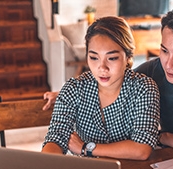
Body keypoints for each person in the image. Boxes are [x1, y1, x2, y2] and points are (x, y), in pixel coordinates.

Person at [43, 3, 173, 161]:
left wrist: (160, 137)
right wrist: (64, 94)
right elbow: (114, 80)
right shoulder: (153, 71)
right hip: (168, 158)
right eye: (164, 50)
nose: (168, 64)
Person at [41, 16, 160, 161]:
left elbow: (142, 148)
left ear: (128, 56)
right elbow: (56, 138)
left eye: (112, 58)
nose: (102, 68)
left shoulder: (144, 88)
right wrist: (45, 162)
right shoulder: (73, 89)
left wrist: (86, 148)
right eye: (94, 57)